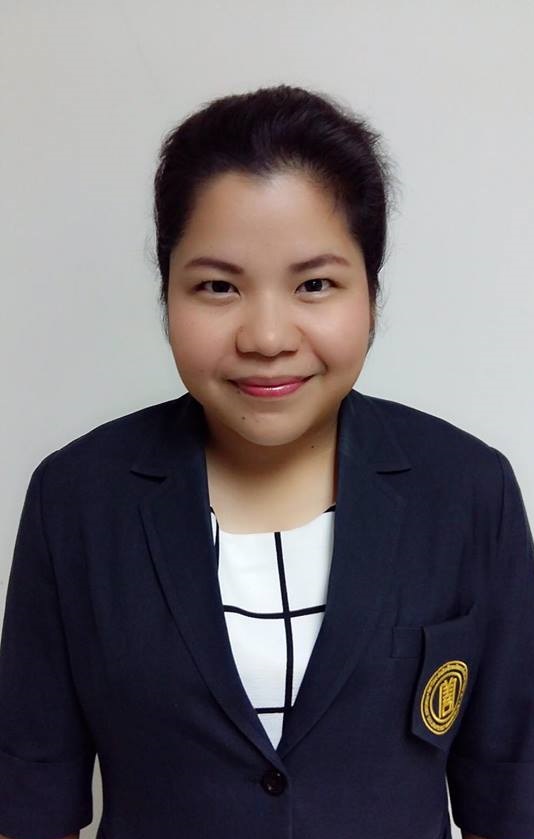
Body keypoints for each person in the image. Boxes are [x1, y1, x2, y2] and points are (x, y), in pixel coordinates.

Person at [0, 83, 533, 839]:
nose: (268, 337)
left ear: (371, 293)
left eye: (315, 284)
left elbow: (509, 800)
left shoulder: (470, 490)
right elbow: (31, 803)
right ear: (168, 292)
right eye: (218, 286)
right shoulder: (77, 499)